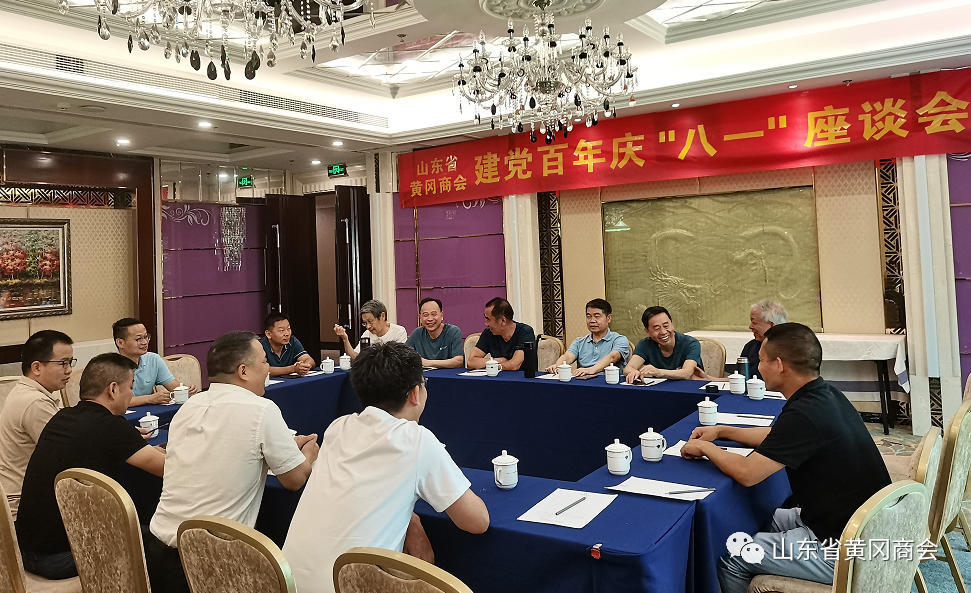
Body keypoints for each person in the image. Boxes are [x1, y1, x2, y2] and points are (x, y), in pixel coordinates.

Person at [680, 323, 891, 593]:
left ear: (779, 364)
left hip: (843, 546)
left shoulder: (805, 413)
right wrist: (722, 431)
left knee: (732, 556)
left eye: (762, 360)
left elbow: (747, 473)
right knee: (756, 517)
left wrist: (705, 448)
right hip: (857, 523)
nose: (758, 367)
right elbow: (778, 435)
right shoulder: (826, 394)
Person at [283, 342, 489, 593]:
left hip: (288, 583)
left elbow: (359, 492)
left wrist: (409, 517)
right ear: (415, 393)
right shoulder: (417, 440)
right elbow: (477, 521)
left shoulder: (338, 427)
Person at [147, 331, 319, 593]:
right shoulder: (261, 409)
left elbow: (227, 446)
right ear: (243, 371)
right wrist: (310, 452)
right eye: (264, 362)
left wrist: (285, 446)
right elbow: (294, 480)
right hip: (213, 560)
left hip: (158, 551)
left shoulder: (189, 407)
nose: (267, 369)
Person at [15, 353, 166, 580]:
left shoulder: (62, 417)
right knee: (160, 538)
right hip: (60, 557)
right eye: (130, 387)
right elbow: (167, 469)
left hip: (26, 548)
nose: (131, 394)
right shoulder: (110, 426)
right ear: (113, 389)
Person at [0, 330, 73, 520]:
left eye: (70, 362)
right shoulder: (35, 402)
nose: (69, 370)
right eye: (63, 363)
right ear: (37, 367)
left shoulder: (28, 391)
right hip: (25, 508)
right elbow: (68, 452)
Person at [694, 300, 788, 381]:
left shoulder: (790, 349)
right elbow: (740, 379)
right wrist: (708, 378)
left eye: (754, 323)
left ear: (772, 325)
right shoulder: (750, 347)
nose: (750, 326)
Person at [114, 318, 198, 405]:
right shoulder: (110, 366)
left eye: (146, 337)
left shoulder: (153, 359)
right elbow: (117, 402)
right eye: (138, 339)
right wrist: (150, 398)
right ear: (120, 343)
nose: (145, 342)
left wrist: (185, 390)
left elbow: (174, 387)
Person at [546, 299, 629, 377]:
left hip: (608, 382)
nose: (592, 320)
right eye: (588, 316)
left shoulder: (619, 340)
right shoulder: (579, 342)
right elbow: (568, 356)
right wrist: (558, 365)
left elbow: (613, 357)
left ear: (609, 318)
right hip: (583, 382)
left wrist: (591, 370)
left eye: (597, 316)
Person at [624, 307, 702, 383]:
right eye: (657, 328)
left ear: (672, 324)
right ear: (647, 331)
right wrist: (634, 372)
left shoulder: (690, 343)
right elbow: (628, 369)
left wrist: (659, 372)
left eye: (666, 326)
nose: (663, 332)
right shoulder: (645, 344)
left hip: (689, 387)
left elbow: (687, 373)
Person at [467, 298, 536, 371]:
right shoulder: (488, 333)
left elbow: (514, 365)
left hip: (522, 377)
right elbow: (471, 362)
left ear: (503, 320)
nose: (486, 324)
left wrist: (495, 366)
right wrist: (496, 361)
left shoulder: (525, 332)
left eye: (488, 319)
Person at [334, 299, 408, 361]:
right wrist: (345, 339)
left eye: (370, 321)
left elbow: (399, 359)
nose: (368, 326)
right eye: (365, 323)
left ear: (382, 316)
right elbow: (356, 357)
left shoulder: (398, 332)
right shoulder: (367, 334)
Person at [406, 297, 464, 368]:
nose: (430, 319)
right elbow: (403, 356)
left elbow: (458, 361)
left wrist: (427, 363)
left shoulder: (453, 331)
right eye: (425, 315)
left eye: (433, 314)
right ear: (420, 317)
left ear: (441, 315)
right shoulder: (417, 333)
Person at [260, 312, 316, 377]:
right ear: (268, 334)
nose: (287, 334)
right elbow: (261, 370)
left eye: (288, 329)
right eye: (281, 330)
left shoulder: (292, 341)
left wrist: (304, 366)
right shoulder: (259, 346)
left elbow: (309, 360)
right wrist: (292, 369)